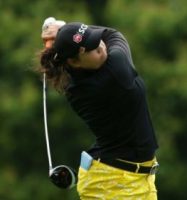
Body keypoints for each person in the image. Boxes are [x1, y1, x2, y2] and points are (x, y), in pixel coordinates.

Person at [38, 19, 159, 199]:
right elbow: (113, 34)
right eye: (92, 48)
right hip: (112, 184)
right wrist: (63, 31)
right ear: (75, 61)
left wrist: (68, 34)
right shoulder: (116, 72)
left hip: (132, 177)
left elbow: (102, 39)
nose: (101, 47)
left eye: (96, 40)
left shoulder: (75, 75)